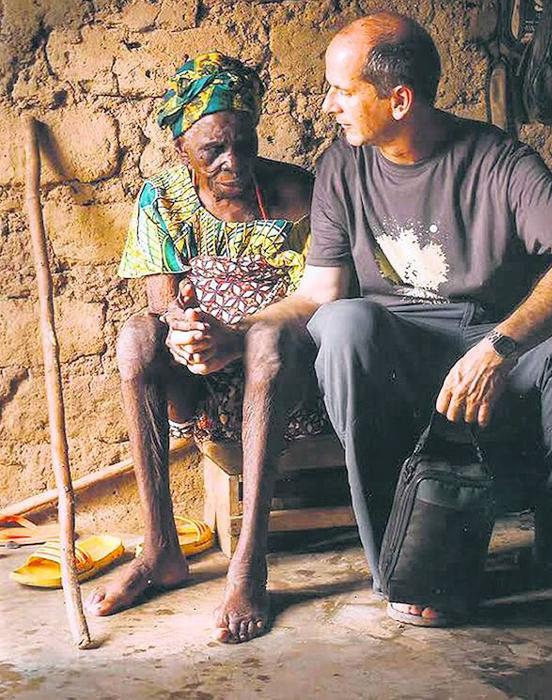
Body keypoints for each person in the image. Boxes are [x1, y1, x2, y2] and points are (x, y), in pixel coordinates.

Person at [299, 12, 552, 627]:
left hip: (487, 347)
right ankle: (406, 567)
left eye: (343, 90)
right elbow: (320, 293)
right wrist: (246, 331)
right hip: (397, 353)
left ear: (399, 99)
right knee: (343, 327)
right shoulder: (340, 167)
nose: (328, 105)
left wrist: (500, 347)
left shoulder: (496, 160)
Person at [85, 52, 328, 643]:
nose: (234, 163)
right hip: (202, 391)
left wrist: (239, 337)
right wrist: (190, 334)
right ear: (179, 149)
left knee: (268, 340)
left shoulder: (297, 192)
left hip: (290, 382)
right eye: (213, 149)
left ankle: (250, 562)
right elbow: (162, 306)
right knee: (138, 338)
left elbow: (326, 298)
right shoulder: (162, 200)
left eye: (245, 144)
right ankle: (161, 549)